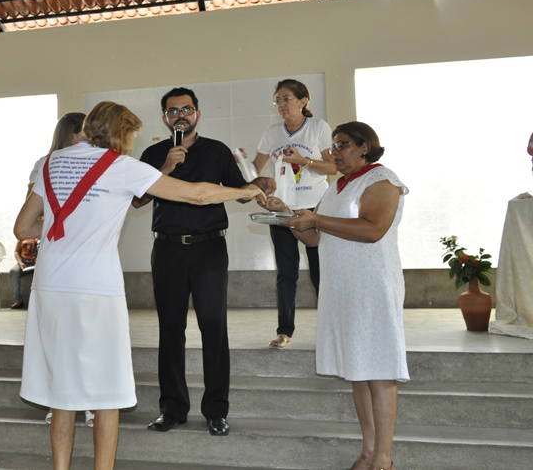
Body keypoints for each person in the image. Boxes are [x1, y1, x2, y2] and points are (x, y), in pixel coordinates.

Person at [14, 101, 265, 470]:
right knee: (106, 395)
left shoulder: (51, 162)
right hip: (95, 291)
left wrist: (68, 229)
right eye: (131, 137)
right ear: (120, 135)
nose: (131, 144)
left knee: (61, 394)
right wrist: (244, 191)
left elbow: (23, 227)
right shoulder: (119, 166)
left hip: (49, 287)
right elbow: (197, 194)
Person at [132, 87, 274, 437]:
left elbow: (239, 192)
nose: (180, 115)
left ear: (197, 113)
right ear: (164, 118)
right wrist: (166, 168)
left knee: (213, 328)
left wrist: (257, 185)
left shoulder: (217, 150)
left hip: (209, 249)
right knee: (170, 330)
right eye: (173, 110)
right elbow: (137, 201)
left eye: (186, 109)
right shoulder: (153, 154)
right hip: (167, 250)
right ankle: (172, 409)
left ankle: (216, 410)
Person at [268, 121, 408, 470]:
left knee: (379, 371)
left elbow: (373, 229)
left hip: (372, 287)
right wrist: (289, 215)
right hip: (343, 289)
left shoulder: (382, 180)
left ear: (365, 147)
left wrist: (316, 220)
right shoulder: (335, 188)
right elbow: (315, 238)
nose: (334, 152)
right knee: (358, 371)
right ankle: (367, 452)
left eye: (342, 144)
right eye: (333, 145)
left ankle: (384, 459)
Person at [249, 79, 337, 349]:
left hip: (315, 208)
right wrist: (242, 168)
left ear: (303, 101)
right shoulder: (272, 132)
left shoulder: (318, 127)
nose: (281, 104)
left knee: (320, 272)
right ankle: (284, 331)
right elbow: (255, 170)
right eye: (278, 100)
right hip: (282, 208)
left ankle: (332, 330)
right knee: (286, 272)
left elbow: (332, 167)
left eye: (286, 98)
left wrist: (303, 161)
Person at [11, 113, 87, 311]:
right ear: (72, 136)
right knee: (57, 307)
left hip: (85, 243)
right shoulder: (45, 163)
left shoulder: (92, 161)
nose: (91, 140)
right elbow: (32, 208)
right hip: (57, 241)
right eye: (86, 135)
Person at [9, 238, 38, 309]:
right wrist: (20, 263)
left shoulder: (40, 235)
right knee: (13, 272)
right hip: (24, 264)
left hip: (38, 264)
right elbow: (16, 251)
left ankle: (39, 301)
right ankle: (18, 300)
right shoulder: (22, 236)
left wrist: (37, 263)